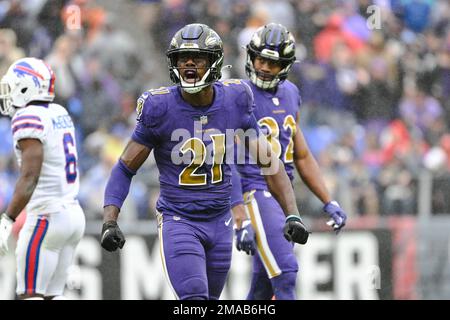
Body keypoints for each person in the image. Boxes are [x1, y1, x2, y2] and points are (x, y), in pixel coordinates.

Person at [100, 23, 309, 300]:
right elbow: (125, 167)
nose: (188, 63)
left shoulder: (236, 99)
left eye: (197, 57)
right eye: (181, 58)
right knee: (194, 298)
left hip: (220, 221)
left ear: (214, 61)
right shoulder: (159, 107)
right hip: (180, 220)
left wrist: (292, 212)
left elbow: (269, 162)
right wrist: (109, 221)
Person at [230, 23, 348, 300]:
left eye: (272, 62)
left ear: (285, 65)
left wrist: (328, 200)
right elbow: (225, 159)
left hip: (282, 195)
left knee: (263, 287)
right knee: (285, 272)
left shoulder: (291, 93)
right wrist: (239, 217)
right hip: (254, 189)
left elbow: (301, 153)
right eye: (260, 59)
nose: (263, 67)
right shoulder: (236, 94)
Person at [0, 57, 85, 300]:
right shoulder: (59, 112)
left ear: (26, 87)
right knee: (52, 295)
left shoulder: (28, 117)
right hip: (72, 215)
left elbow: (29, 177)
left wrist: (8, 218)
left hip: (46, 218)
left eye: (13, 86)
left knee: (29, 295)